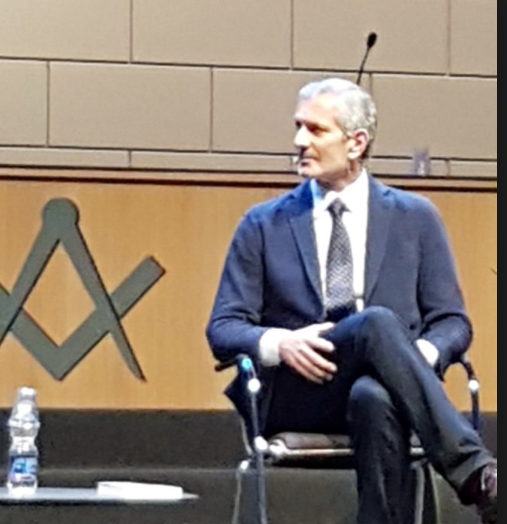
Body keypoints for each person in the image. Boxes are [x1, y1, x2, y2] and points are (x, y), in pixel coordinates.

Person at [207, 78, 497, 524]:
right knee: (376, 323)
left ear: (356, 143)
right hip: (299, 390)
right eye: (298, 127)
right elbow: (223, 328)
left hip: (391, 393)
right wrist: (281, 343)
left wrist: (412, 359)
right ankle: (477, 474)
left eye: (315, 130)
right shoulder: (263, 224)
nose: (299, 141)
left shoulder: (416, 218)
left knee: (373, 395)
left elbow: (453, 323)